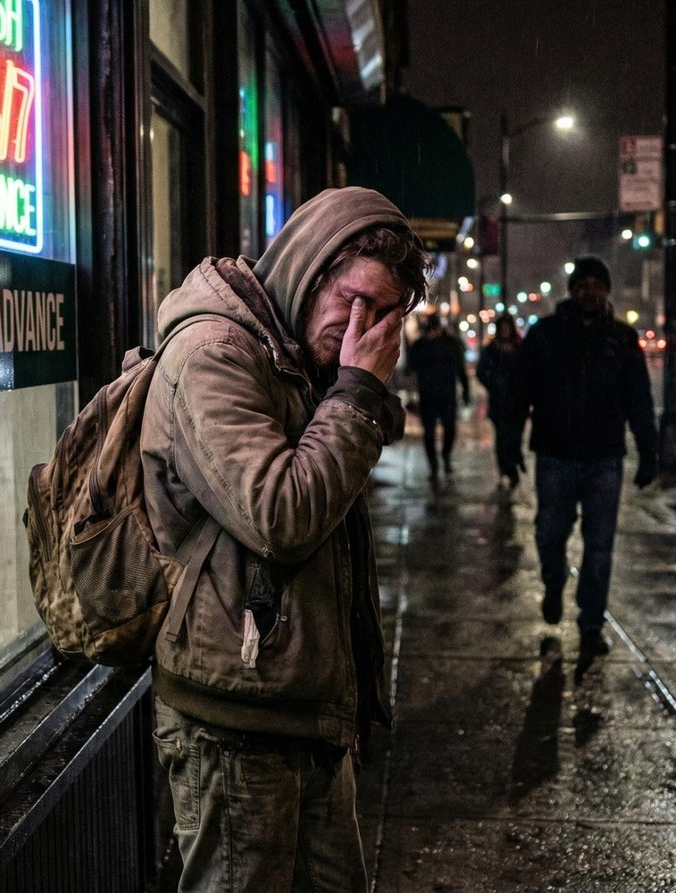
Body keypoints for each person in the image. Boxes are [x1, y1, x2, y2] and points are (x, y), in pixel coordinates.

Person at [140, 187, 428, 892]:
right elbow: (281, 515)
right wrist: (357, 391)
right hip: (234, 719)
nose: (364, 326)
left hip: (301, 707)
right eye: (355, 300)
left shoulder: (294, 356)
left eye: (385, 312)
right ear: (310, 269)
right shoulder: (213, 354)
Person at [508, 256, 656, 656]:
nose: (589, 291)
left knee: (600, 544)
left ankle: (591, 622)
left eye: (597, 284)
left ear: (606, 291)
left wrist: (648, 448)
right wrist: (508, 443)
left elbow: (638, 398)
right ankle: (554, 582)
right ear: (572, 290)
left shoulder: (622, 340)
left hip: (604, 458)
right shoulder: (546, 334)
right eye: (583, 284)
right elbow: (520, 391)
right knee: (550, 533)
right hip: (555, 455)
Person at [406, 312, 471, 481]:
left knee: (450, 428)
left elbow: (460, 368)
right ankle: (434, 465)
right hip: (427, 394)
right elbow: (411, 366)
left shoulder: (451, 343)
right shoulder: (421, 345)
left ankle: (446, 456)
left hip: (447, 393)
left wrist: (466, 390)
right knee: (429, 432)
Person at [476, 313, 525, 489]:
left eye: (507, 327)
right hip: (499, 402)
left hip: (518, 403)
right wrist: (494, 384)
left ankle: (513, 464)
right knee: (502, 438)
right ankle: (507, 470)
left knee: (515, 439)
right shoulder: (491, 349)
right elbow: (481, 372)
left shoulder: (520, 348)